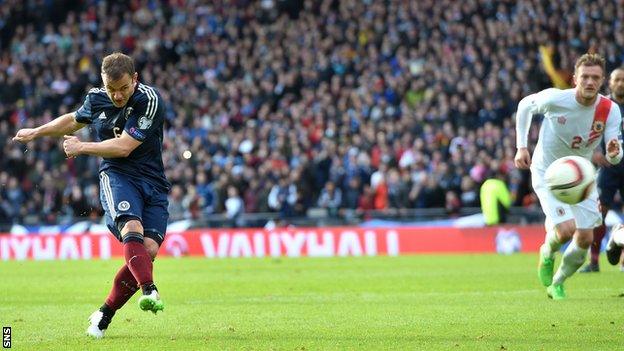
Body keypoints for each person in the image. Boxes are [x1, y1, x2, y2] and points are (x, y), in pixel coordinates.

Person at [12, 52, 170, 337]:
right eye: (111, 89)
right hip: (118, 176)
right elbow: (73, 120)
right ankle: (151, 290)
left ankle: (103, 315)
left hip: (153, 181)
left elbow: (124, 146)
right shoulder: (96, 98)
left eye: (123, 88)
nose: (118, 95)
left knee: (149, 252)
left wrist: (81, 148)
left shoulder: (150, 99)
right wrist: (36, 131)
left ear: (135, 79)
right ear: (102, 82)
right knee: (132, 228)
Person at [514, 53, 623, 300]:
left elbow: (614, 152)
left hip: (582, 177)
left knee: (585, 238)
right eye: (585, 77)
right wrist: (521, 146)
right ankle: (547, 252)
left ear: (602, 80)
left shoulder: (609, 110)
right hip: (547, 172)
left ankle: (558, 282)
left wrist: (615, 154)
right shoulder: (556, 99)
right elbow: (524, 106)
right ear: (575, 79)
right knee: (565, 230)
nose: (590, 82)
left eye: (595, 78)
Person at [580, 68, 624, 273]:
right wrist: (594, 152)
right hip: (608, 168)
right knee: (599, 215)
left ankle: (619, 251)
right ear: (610, 82)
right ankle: (594, 261)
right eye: (617, 80)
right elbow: (586, 131)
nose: (621, 83)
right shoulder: (602, 105)